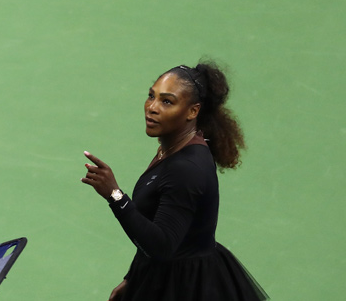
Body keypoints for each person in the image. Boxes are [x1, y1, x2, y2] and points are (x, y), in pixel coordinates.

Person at [81, 61, 268, 301]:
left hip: (185, 289)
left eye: (166, 101)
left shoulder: (186, 170)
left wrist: (115, 195)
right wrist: (133, 277)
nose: (152, 108)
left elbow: (161, 246)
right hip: (162, 276)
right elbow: (158, 222)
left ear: (193, 111)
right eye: (151, 96)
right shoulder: (172, 150)